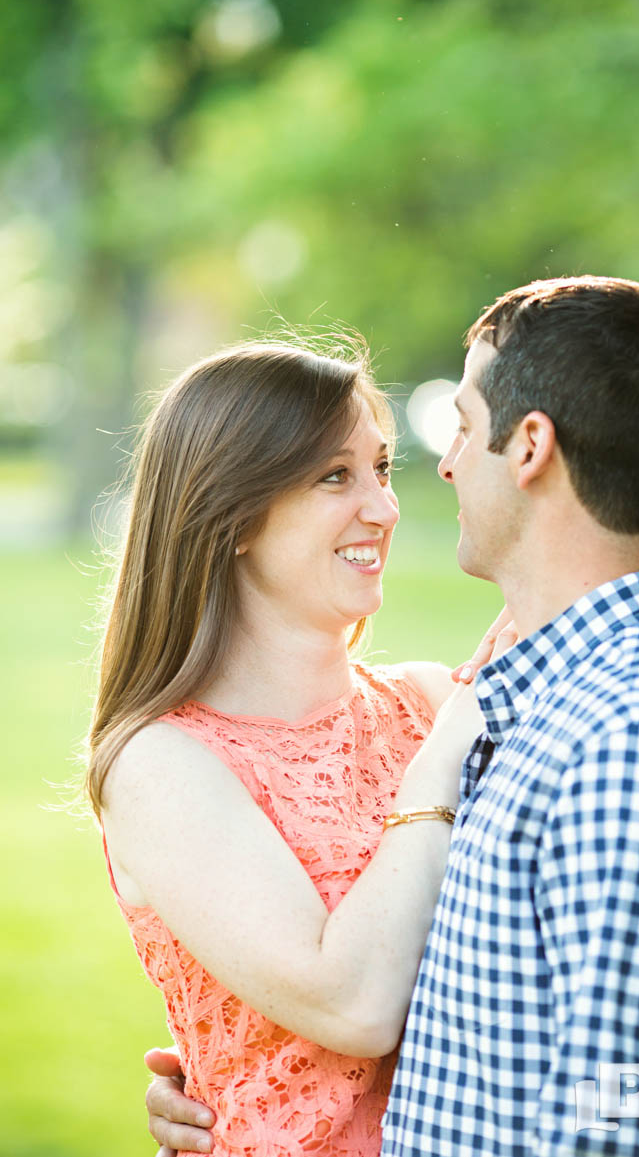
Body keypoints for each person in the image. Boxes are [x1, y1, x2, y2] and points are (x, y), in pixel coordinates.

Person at [148, 276, 639, 1157]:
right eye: (338, 474)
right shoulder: (518, 703)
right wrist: (239, 1072)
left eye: (462, 427)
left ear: (528, 447)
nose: (435, 470)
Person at [89, 339, 513, 1157]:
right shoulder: (158, 764)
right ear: (235, 515)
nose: (383, 509)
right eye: (334, 476)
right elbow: (352, 1007)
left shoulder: (428, 699)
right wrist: (443, 755)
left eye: (382, 469)